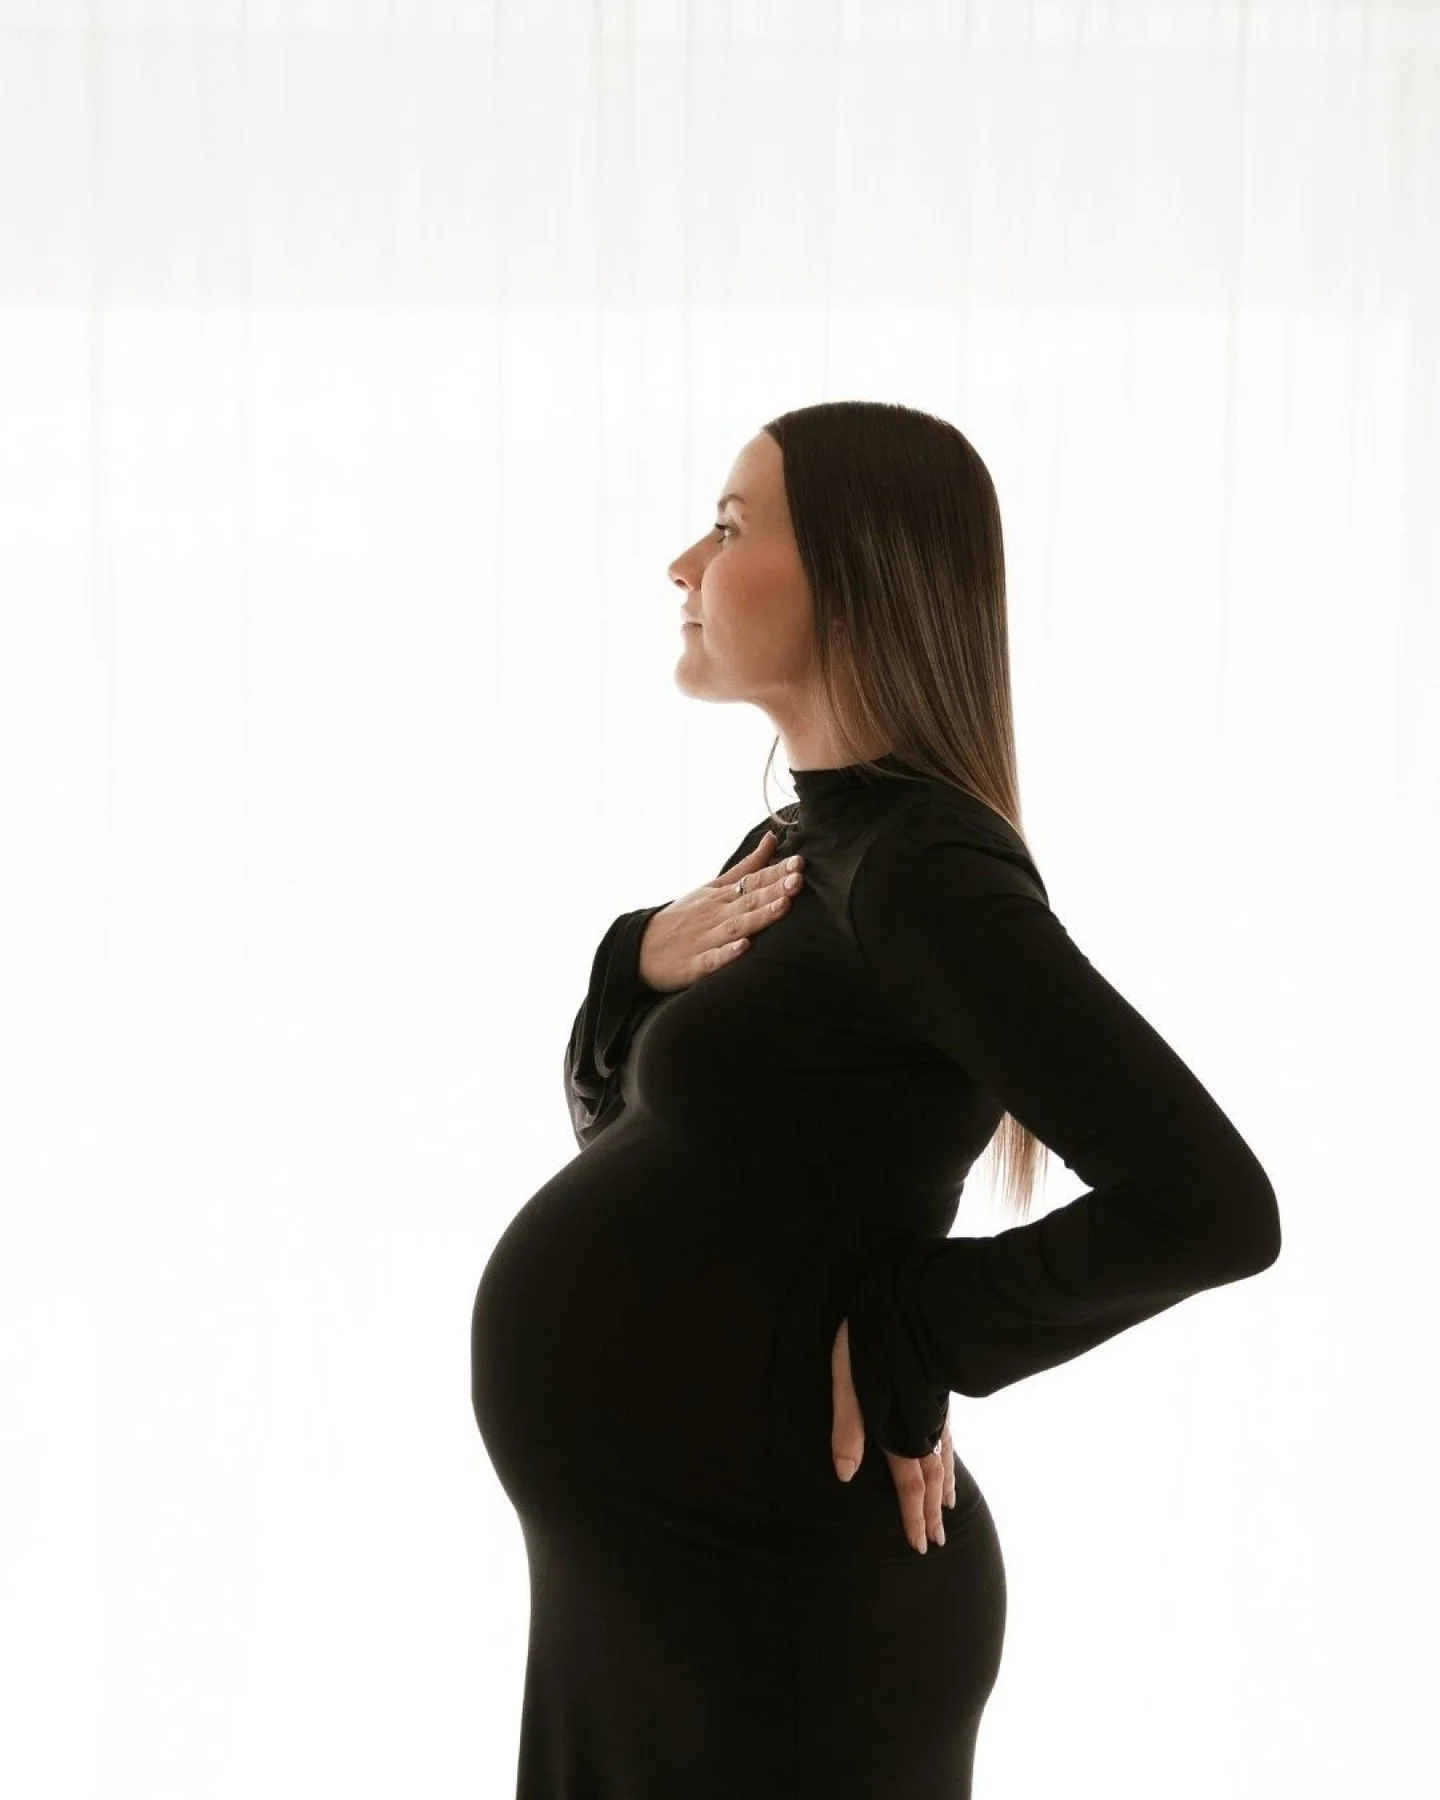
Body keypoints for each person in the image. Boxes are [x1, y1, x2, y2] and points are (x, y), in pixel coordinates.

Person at [470, 400, 1281, 1799]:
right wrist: (637, 960)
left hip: (779, 1613)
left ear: (853, 572)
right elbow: (654, 1160)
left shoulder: (920, 872)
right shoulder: (799, 844)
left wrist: (920, 1330)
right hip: (648, 1599)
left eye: (727, 528)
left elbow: (1211, 1206)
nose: (682, 565)